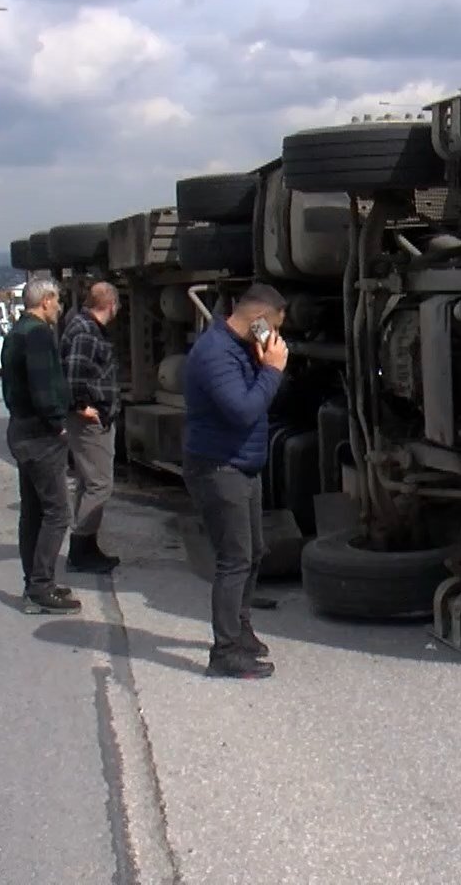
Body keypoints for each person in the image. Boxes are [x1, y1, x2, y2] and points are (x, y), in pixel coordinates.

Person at [183, 284, 289, 679]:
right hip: (218, 467)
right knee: (234, 560)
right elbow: (243, 410)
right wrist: (272, 370)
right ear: (259, 319)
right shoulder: (215, 354)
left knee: (254, 552)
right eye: (274, 327)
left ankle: (240, 628)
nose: (275, 336)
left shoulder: (241, 348)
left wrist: (268, 367)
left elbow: (263, 397)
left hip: (243, 465)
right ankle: (225, 651)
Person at [2, 277, 80, 615]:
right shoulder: (36, 335)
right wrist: (59, 424)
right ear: (46, 300)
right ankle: (41, 586)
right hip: (39, 434)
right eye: (58, 300)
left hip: (21, 429)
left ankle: (35, 580)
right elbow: (42, 386)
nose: (60, 307)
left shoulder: (16, 332)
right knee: (58, 512)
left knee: (33, 511)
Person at [62, 281, 123, 574]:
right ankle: (81, 548)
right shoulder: (85, 332)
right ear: (110, 304)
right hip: (90, 421)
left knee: (88, 483)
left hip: (94, 417)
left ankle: (86, 545)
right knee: (100, 484)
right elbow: (74, 374)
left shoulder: (84, 328)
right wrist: (82, 407)